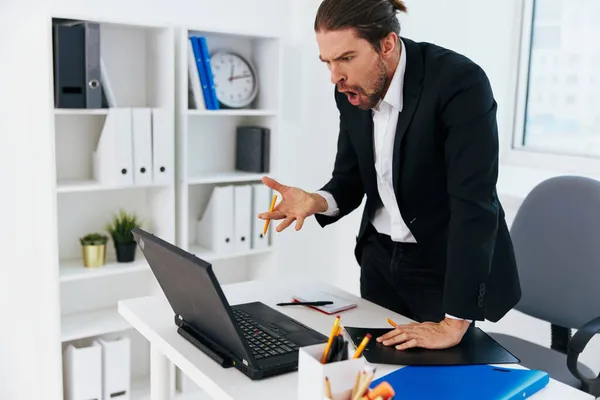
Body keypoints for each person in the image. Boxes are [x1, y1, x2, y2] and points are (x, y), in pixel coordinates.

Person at [258, 0, 521, 350]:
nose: (336, 77)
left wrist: (454, 322)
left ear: (387, 44)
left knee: (438, 385)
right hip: (380, 260)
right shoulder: (350, 90)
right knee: (377, 372)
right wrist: (315, 200)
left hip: (441, 266)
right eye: (328, 62)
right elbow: (350, 179)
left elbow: (474, 204)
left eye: (346, 58)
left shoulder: (459, 83)